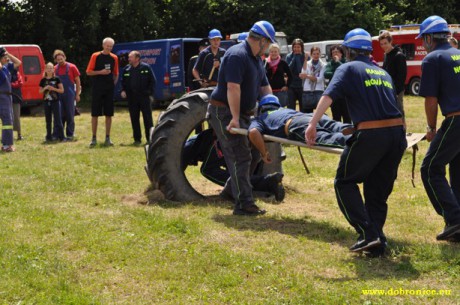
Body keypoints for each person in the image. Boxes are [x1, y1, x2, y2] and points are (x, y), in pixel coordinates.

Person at [305, 28, 407, 256]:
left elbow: (328, 96)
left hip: (373, 136)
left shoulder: (347, 68)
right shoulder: (383, 72)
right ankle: (377, 241)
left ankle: (368, 233)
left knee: (344, 181)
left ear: (348, 51)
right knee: (377, 191)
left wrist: (312, 124)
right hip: (396, 135)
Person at [208, 20, 276, 216]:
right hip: (225, 112)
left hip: (244, 113)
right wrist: (235, 119)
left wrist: (272, 111)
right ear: (262, 41)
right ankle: (244, 204)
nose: (269, 47)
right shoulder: (237, 55)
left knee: (255, 153)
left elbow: (264, 87)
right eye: (269, 43)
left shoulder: (256, 59)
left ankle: (232, 190)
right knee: (240, 156)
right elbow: (232, 87)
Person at [417, 15, 460, 242]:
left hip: (455, 120)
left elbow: (431, 99)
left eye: (423, 38)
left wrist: (431, 127)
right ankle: (457, 228)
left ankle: (454, 218)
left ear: (430, 37)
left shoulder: (432, 59)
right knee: (458, 173)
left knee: (430, 168)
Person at [182, 128, 285, 201]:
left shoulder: (188, 147)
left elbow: (178, 169)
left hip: (221, 143)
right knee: (236, 172)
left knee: (208, 170)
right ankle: (267, 183)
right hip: (234, 144)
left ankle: (267, 182)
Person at [248, 95, 352, 163]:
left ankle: (356, 140)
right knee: (336, 126)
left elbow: (253, 132)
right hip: (313, 116)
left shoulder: (260, 118)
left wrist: (264, 153)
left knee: (325, 138)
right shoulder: (284, 110)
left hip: (296, 124)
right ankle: (361, 131)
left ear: (261, 108)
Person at [86, 37, 119, 147]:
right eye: (107, 46)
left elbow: (116, 73)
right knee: (95, 114)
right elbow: (88, 72)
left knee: (109, 114)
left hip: (109, 89)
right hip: (97, 88)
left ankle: (108, 138)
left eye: (111, 46)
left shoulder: (114, 58)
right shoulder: (95, 56)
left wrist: (113, 83)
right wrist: (101, 72)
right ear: (103, 45)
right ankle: (94, 138)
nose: (109, 48)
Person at [120, 50, 156, 145]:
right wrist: (123, 91)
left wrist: (149, 93)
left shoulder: (146, 67)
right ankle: (137, 139)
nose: (129, 59)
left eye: (130, 57)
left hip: (144, 97)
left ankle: (150, 139)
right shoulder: (126, 69)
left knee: (147, 118)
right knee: (134, 118)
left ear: (137, 58)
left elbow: (152, 82)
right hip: (132, 98)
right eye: (129, 57)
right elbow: (123, 82)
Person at [53, 49, 81, 141]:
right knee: (59, 115)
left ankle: (70, 134)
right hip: (58, 95)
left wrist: (77, 94)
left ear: (64, 57)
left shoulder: (72, 67)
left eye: (61, 59)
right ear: (56, 60)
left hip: (69, 94)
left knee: (70, 114)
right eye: (58, 60)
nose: (60, 61)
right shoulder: (54, 69)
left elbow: (77, 81)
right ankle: (58, 135)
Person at [379, 31, 407, 120]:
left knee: (398, 111)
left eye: (385, 43)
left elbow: (402, 76)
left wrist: (397, 92)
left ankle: (402, 130)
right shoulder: (386, 55)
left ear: (391, 42)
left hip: (397, 90)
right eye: (381, 44)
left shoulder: (399, 55)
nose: (383, 46)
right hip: (388, 88)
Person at [0, 47, 21, 152]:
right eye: (4, 57)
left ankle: (6, 143)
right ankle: (6, 145)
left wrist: (8, 54)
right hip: (2, 97)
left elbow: (18, 62)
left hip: (7, 97)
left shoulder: (6, 67)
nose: (7, 59)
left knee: (8, 122)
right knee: (7, 122)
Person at [324, 45, 351, 123]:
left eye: (337, 52)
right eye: (333, 52)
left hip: (345, 93)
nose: (335, 54)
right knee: (336, 116)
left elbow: (345, 71)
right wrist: (338, 73)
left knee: (347, 116)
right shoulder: (330, 63)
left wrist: (338, 62)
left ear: (341, 53)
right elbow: (326, 74)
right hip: (334, 93)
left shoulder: (346, 62)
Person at [39, 62, 65, 142]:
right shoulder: (43, 80)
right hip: (47, 102)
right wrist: (45, 88)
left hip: (55, 101)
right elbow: (40, 91)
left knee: (58, 119)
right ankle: (48, 137)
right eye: (48, 68)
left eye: (51, 68)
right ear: (45, 70)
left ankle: (62, 137)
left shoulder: (57, 79)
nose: (49, 70)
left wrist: (53, 89)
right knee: (48, 120)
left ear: (53, 70)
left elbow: (62, 90)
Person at [300, 47, 326, 113]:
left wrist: (307, 76)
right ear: (311, 55)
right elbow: (303, 72)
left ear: (320, 54)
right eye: (314, 54)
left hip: (318, 90)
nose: (316, 55)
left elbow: (319, 79)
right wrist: (305, 59)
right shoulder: (307, 63)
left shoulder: (323, 65)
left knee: (319, 112)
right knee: (307, 113)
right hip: (307, 90)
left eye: (317, 54)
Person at [285, 39, 306, 110]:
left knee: (303, 107)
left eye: (298, 47)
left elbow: (301, 70)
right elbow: (288, 69)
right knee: (291, 107)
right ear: (292, 47)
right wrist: (295, 57)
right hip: (291, 85)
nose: (296, 49)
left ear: (302, 48)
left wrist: (298, 57)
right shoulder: (289, 56)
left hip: (302, 85)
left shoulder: (305, 56)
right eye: (295, 47)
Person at [11, 69, 23, 140]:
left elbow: (20, 83)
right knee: (7, 117)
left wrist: (10, 84)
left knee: (16, 116)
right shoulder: (4, 72)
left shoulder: (17, 74)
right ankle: (9, 134)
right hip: (6, 98)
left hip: (16, 98)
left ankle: (19, 134)